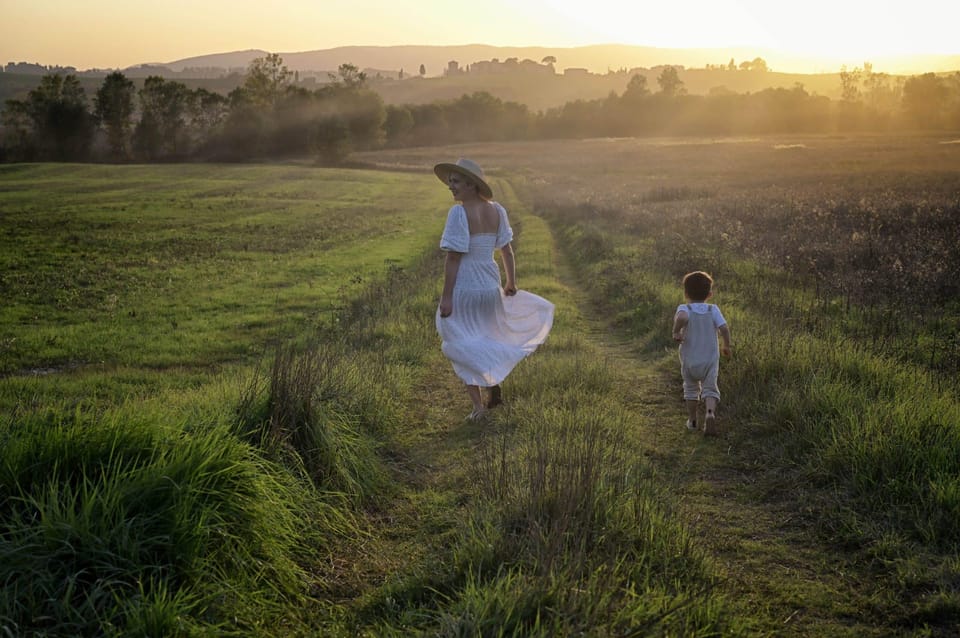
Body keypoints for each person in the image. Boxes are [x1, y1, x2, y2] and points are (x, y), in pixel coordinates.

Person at [434, 158, 554, 421]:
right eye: (450, 182)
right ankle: (492, 385)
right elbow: (506, 250)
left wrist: (446, 296)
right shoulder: (497, 210)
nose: (450, 187)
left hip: (466, 286)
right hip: (489, 284)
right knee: (488, 336)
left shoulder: (459, 213)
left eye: (455, 182)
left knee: (460, 341)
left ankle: (478, 408)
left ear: (471, 184)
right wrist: (510, 282)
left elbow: (453, 258)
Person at [671, 271, 733, 435]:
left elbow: (682, 317)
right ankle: (710, 413)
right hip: (710, 360)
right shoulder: (713, 309)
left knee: (691, 389)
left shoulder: (685, 308)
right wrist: (726, 345)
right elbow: (724, 328)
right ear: (710, 294)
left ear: (685, 293)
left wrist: (676, 332)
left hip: (690, 359)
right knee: (710, 388)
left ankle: (692, 420)